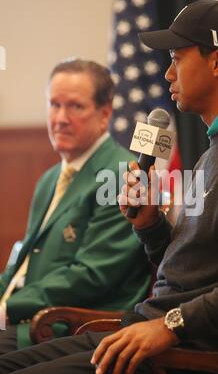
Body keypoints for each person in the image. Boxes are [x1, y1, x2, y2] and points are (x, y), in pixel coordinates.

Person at [0, 0, 218, 374]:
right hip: (146, 336)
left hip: (185, 362)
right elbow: (190, 273)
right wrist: (151, 227)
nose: (167, 72)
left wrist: (173, 324)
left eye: (177, 58)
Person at [0, 59, 149, 353]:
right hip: (31, 316)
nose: (60, 118)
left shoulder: (120, 175)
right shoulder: (50, 178)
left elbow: (92, 275)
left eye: (75, 107)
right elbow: (22, 261)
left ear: (105, 114)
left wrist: (8, 307)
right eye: (54, 105)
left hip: (73, 326)